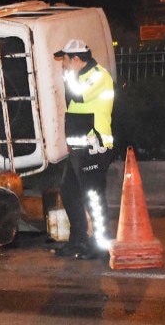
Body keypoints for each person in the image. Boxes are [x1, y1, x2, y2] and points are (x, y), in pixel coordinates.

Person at [52, 39, 116, 260]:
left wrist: (69, 76)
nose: (64, 65)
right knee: (69, 191)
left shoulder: (98, 76)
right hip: (80, 147)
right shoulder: (80, 76)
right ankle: (78, 240)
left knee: (93, 197)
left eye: (66, 61)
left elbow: (79, 95)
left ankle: (100, 245)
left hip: (95, 146)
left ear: (77, 59)